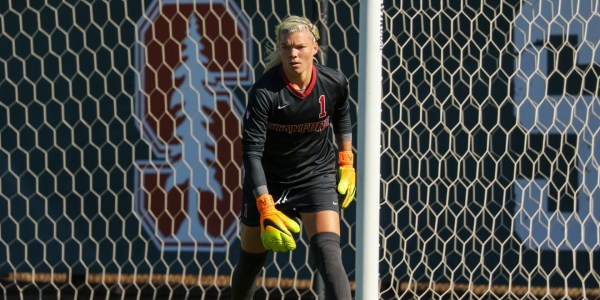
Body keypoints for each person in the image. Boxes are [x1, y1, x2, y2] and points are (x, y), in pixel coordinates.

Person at [231, 15, 356, 299]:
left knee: (329, 256)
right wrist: (265, 206)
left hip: (316, 178)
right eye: (286, 47)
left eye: (299, 46)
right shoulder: (264, 92)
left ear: (314, 47)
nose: (293, 54)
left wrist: (346, 162)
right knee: (250, 263)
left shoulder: (333, 82)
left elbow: (342, 116)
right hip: (269, 182)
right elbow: (251, 154)